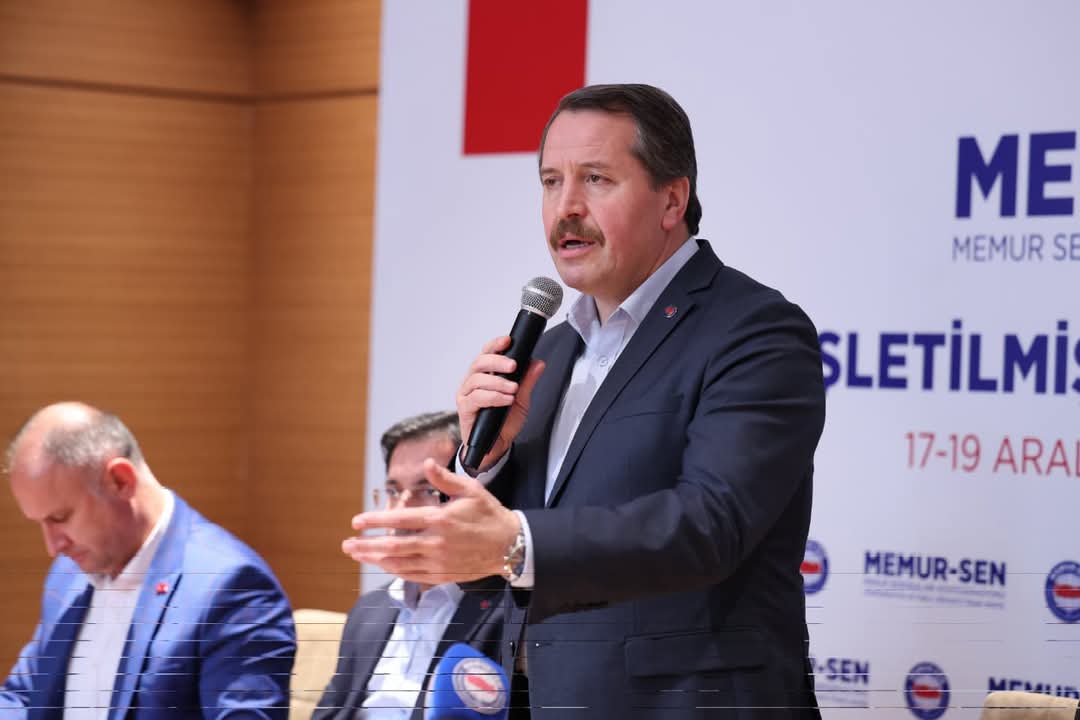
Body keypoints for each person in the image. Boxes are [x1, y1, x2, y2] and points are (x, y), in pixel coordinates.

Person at [344, 84, 826, 718]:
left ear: (672, 199)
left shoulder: (754, 331)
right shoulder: (553, 347)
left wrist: (514, 541)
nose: (565, 208)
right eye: (551, 182)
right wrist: (482, 461)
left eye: (596, 179)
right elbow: (496, 569)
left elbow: (711, 525)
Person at [1, 402, 296, 718]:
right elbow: (22, 696)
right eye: (40, 523)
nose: (53, 546)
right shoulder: (69, 573)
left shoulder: (231, 587)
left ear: (120, 481)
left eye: (60, 517)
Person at [316, 411, 503, 719]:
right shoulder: (369, 610)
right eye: (393, 491)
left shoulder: (509, 613)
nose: (401, 509)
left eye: (427, 490)